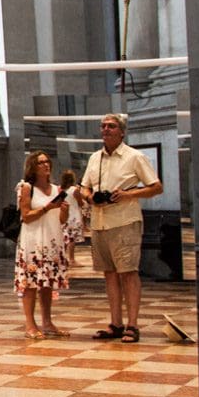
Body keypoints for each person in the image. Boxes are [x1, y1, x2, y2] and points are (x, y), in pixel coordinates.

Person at [81, 113, 163, 343]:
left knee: (128, 272)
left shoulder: (134, 157)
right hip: (99, 222)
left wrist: (128, 194)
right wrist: (89, 197)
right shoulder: (94, 158)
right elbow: (84, 187)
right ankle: (115, 323)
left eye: (111, 126)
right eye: (103, 126)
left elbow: (156, 187)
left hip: (125, 221)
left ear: (122, 131)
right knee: (109, 273)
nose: (105, 129)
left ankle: (132, 325)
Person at [14, 151, 70, 340]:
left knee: (47, 283)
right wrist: (47, 207)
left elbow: (61, 220)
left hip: (52, 240)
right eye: (41, 162)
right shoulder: (26, 187)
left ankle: (47, 322)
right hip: (33, 241)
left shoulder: (56, 189)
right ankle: (30, 324)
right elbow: (26, 216)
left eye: (47, 161)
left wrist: (64, 210)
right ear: (33, 167)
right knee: (30, 283)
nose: (46, 165)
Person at [60, 169, 87, 266]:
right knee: (71, 239)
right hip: (74, 216)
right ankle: (72, 259)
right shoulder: (74, 190)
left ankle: (63, 258)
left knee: (64, 238)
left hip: (64, 215)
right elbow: (81, 203)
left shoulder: (60, 189)